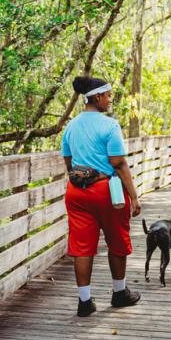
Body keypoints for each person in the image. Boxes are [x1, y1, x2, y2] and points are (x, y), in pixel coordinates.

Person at [62, 75, 142, 317]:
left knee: (82, 246)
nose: (109, 100)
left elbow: (68, 161)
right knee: (117, 239)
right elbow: (118, 164)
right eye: (107, 96)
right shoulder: (109, 125)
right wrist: (134, 197)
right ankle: (119, 293)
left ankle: (84, 302)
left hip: (76, 192)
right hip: (106, 190)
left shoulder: (71, 126)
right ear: (97, 96)